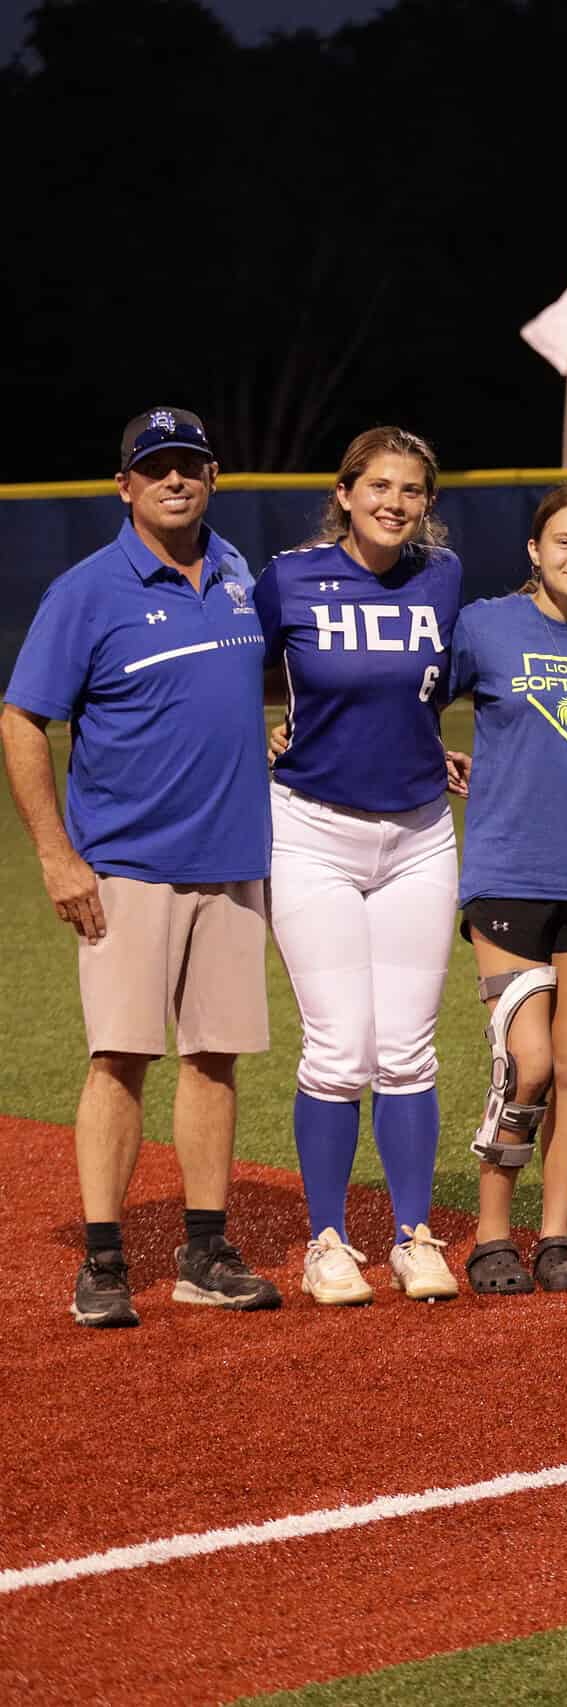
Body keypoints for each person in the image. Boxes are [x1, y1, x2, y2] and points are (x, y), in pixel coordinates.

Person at [3, 407, 279, 1327]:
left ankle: (203, 1249)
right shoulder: (87, 591)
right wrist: (56, 854)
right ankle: (105, 1258)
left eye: (189, 464)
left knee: (214, 1057)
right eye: (154, 466)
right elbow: (20, 720)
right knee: (120, 1055)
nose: (174, 479)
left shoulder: (240, 575)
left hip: (234, 861)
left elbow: (244, 693)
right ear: (125, 485)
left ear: (212, 476)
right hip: (127, 865)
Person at [258, 426, 465, 1305]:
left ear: (426, 503)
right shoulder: (288, 576)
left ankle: (415, 1235)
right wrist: (262, 730)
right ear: (344, 492)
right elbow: (237, 670)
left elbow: (442, 681)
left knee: (409, 1050)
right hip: (312, 831)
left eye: (412, 489)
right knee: (341, 1047)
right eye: (378, 485)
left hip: (420, 832)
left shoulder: (442, 577)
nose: (394, 501)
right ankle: (328, 1239)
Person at [443, 483, 567, 1293]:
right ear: (533, 549)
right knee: (525, 1064)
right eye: (564, 541)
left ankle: (554, 1235)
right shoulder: (486, 625)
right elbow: (411, 698)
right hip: (507, 874)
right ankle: (491, 1235)